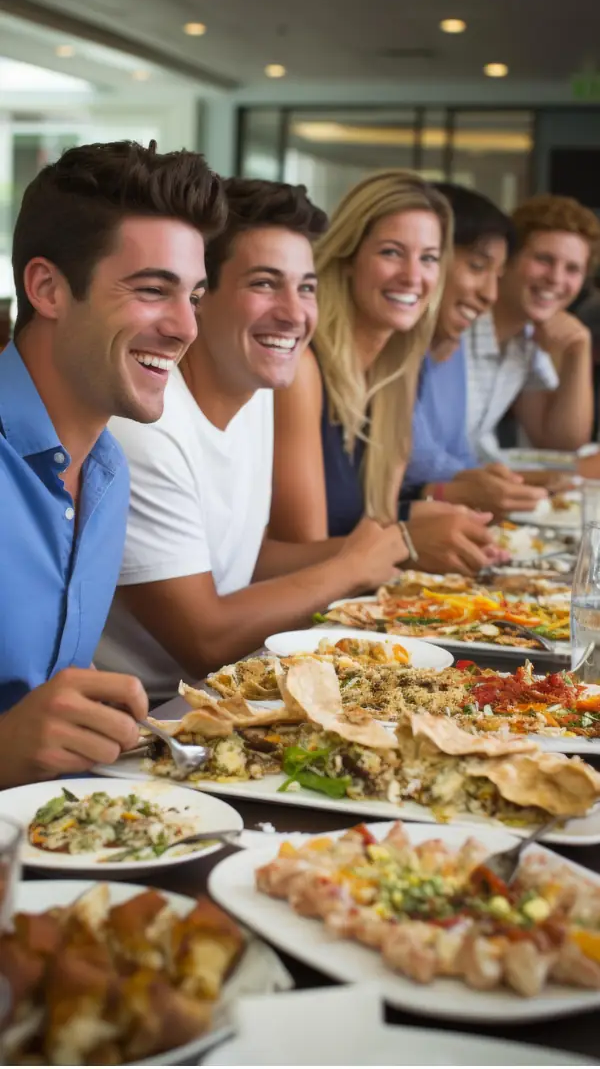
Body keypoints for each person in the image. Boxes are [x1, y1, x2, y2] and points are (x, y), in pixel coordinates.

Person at [96, 179, 410, 705]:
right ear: (199, 296)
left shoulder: (257, 387)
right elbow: (204, 638)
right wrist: (350, 567)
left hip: (222, 696)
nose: (294, 313)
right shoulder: (144, 425)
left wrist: (395, 547)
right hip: (145, 720)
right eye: (265, 284)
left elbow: (242, 559)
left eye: (306, 287)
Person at [0, 139, 225, 788]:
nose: (185, 327)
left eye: (195, 296)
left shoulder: (109, 472)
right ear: (46, 287)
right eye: (154, 291)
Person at [270, 169, 503, 574]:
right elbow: (303, 557)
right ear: (348, 258)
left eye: (428, 258)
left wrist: (437, 521)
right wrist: (409, 540)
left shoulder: (396, 372)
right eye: (392, 252)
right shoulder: (304, 367)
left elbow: (373, 522)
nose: (413, 277)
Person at [401, 183, 548, 517]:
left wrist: (493, 480)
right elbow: (415, 463)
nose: (490, 295)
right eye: (477, 267)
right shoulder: (388, 351)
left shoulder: (450, 345)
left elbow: (456, 456)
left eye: (497, 275)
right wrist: (475, 482)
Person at [464, 193, 600, 463]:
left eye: (572, 269)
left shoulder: (527, 340)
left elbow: (562, 444)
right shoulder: (457, 327)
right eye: (544, 259)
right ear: (507, 260)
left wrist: (579, 349)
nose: (556, 279)